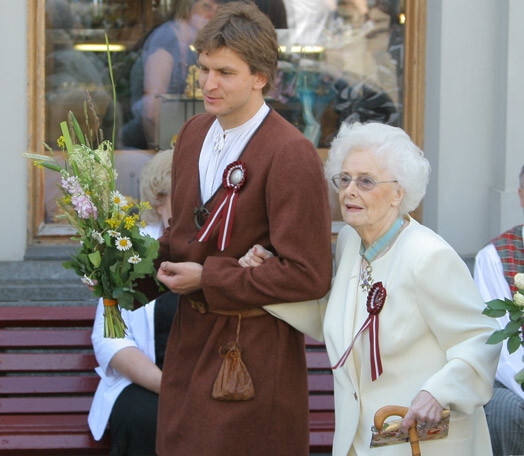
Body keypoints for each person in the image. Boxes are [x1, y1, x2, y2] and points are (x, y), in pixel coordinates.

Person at [135, 2, 333, 454]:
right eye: (204, 68)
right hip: (188, 346)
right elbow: (182, 240)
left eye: (224, 72)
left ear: (260, 76)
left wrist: (210, 278)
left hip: (250, 356)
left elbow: (309, 273)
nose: (208, 83)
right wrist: (122, 271)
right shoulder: (192, 134)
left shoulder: (292, 153)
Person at [241, 121, 501, 455]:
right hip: (360, 440)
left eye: (366, 181)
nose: (350, 190)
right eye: (345, 179)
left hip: (421, 442)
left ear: (398, 192)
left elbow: (480, 338)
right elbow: (333, 318)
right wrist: (267, 277)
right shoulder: (351, 240)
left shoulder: (428, 257)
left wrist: (438, 392)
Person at [88, 150, 178, 455]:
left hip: (211, 385)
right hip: (147, 382)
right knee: (149, 418)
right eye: (184, 194)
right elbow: (109, 338)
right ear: (159, 200)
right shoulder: (131, 251)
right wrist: (170, 388)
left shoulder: (222, 250)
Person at [473, 164, 524, 456]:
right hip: (512, 379)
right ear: (521, 196)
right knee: (507, 410)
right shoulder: (494, 258)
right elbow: (502, 345)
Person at [123, 0, 221, 149]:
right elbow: (151, 109)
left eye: (217, 9)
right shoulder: (166, 39)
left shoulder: (191, 46)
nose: (211, 14)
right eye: (206, 6)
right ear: (187, 7)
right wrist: (158, 152)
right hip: (144, 143)